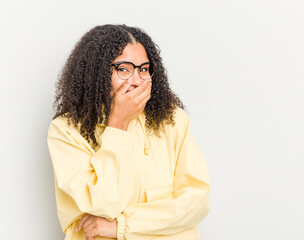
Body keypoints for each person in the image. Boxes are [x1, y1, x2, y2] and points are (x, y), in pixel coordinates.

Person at [47, 24, 211, 240]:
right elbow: (104, 203)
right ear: (96, 72)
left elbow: (196, 203)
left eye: (143, 69)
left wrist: (120, 226)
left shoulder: (173, 121)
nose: (136, 80)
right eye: (124, 69)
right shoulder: (66, 131)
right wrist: (118, 124)